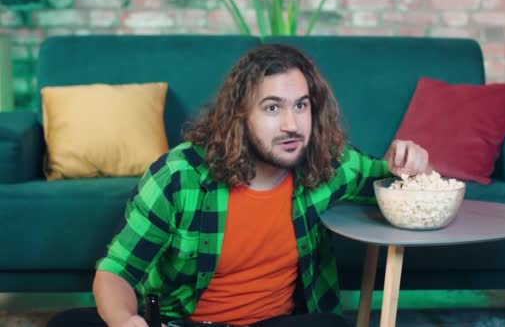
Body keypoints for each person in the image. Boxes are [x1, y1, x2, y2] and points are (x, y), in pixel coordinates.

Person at [47, 44, 432, 327]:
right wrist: (126, 321)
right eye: (272, 108)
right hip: (182, 323)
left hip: (275, 324)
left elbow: (393, 178)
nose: (291, 125)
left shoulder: (327, 163)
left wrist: (410, 160)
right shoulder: (179, 176)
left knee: (329, 326)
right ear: (239, 116)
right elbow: (116, 272)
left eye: (301, 106)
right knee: (68, 325)